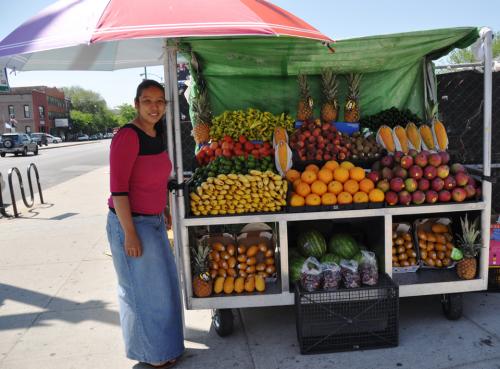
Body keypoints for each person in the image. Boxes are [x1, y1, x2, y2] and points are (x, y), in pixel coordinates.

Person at [106, 79, 184, 369]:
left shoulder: (155, 133)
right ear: (136, 104)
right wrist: (130, 234)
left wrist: (162, 208)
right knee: (141, 292)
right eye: (148, 101)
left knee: (162, 290)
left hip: (151, 221)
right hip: (131, 223)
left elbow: (155, 179)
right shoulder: (128, 136)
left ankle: (165, 348)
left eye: (160, 101)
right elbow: (119, 190)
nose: (154, 106)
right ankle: (151, 355)